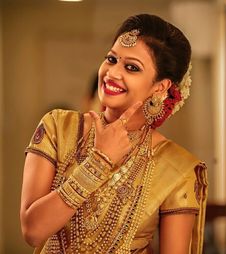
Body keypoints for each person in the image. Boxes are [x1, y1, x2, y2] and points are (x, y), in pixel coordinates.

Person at [20, 14, 208, 254]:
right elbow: (32, 231)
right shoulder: (59, 126)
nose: (112, 72)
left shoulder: (177, 167)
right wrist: (97, 163)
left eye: (131, 67)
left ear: (160, 87)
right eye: (111, 59)